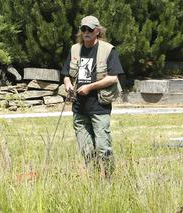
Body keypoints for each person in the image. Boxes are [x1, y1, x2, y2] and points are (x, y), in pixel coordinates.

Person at [61, 15, 124, 179]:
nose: (86, 32)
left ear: (98, 30)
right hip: (79, 108)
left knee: (103, 147)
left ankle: (110, 179)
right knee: (86, 149)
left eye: (90, 29)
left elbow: (113, 77)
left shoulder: (108, 49)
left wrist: (90, 87)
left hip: (99, 106)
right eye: (83, 29)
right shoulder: (75, 49)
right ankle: (95, 180)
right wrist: (68, 85)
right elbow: (66, 74)